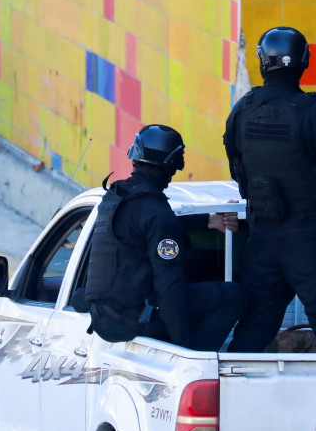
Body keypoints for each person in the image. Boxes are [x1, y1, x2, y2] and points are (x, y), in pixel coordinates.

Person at [223, 26, 316, 353]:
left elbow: (239, 171)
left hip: (262, 240)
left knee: (251, 334)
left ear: (262, 61)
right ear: (305, 62)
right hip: (313, 243)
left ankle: (238, 402)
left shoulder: (242, 111)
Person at [84, 124, 245, 352]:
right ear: (171, 165)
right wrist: (184, 348)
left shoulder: (114, 198)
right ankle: (204, 354)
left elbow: (146, 228)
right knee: (233, 295)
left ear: (136, 159)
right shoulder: (156, 214)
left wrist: (208, 221)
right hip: (135, 321)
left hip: (106, 320)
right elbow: (169, 288)